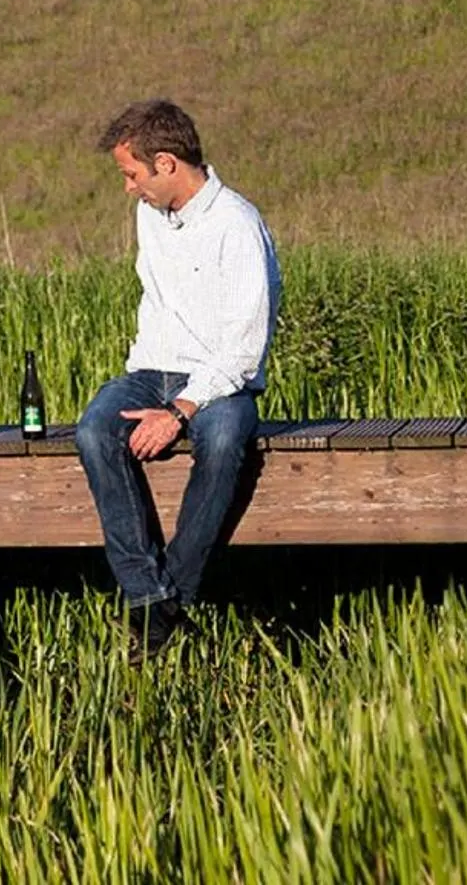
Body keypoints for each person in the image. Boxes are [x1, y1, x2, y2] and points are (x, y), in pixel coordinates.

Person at [75, 99, 279, 663]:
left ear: (165, 164)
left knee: (220, 439)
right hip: (151, 370)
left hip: (220, 381)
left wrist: (181, 411)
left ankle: (171, 603)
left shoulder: (237, 225)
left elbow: (244, 348)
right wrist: (156, 394)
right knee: (94, 430)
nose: (128, 189)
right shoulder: (150, 214)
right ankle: (147, 593)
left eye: (131, 174)